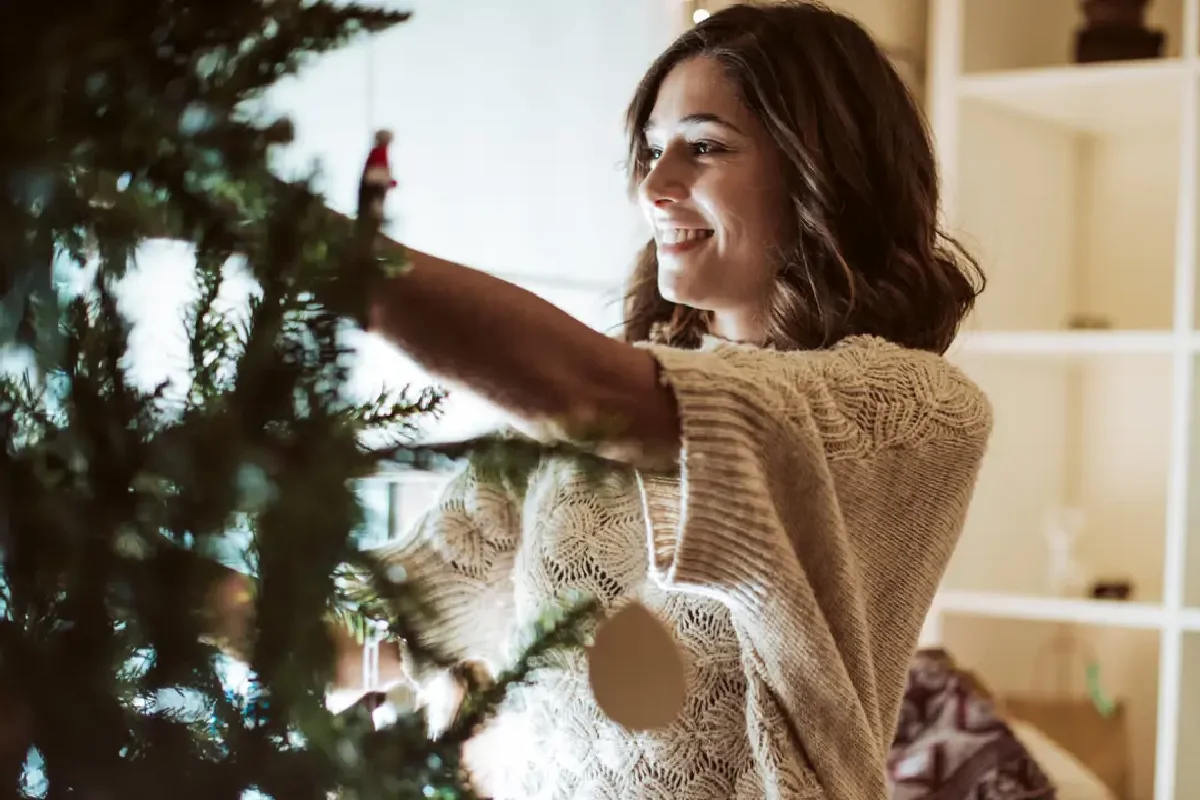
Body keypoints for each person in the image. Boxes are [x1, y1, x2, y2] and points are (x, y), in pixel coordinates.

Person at [235, 2, 994, 798]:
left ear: (823, 169)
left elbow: (595, 393)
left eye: (704, 148)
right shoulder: (577, 436)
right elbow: (360, 644)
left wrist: (283, 233)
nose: (656, 187)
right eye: (651, 150)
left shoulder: (914, 410)